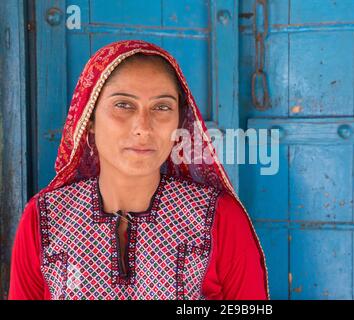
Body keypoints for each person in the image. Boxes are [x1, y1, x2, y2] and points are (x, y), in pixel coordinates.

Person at [8, 40, 269, 300]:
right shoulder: (44, 219)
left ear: (179, 122)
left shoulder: (219, 219)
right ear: (90, 120)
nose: (143, 127)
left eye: (162, 107)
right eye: (123, 105)